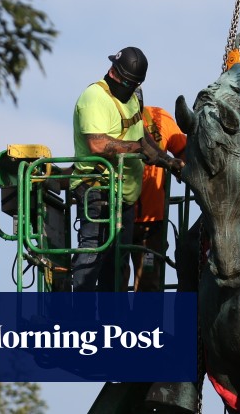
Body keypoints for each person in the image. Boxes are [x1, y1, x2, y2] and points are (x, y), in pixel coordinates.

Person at [71, 46, 182, 292]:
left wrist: (168, 161)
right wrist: (136, 148)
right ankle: (79, 309)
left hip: (125, 198)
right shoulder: (95, 97)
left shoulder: (131, 99)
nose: (112, 75)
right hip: (98, 192)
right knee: (92, 254)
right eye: (114, 71)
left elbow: (142, 138)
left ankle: (111, 313)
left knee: (116, 264)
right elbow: (97, 144)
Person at [132, 103, 187, 292]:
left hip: (152, 222)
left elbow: (184, 151)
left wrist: (183, 168)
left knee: (149, 284)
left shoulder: (158, 118)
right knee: (115, 282)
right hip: (117, 219)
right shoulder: (110, 119)